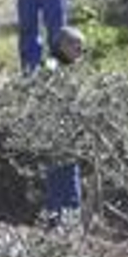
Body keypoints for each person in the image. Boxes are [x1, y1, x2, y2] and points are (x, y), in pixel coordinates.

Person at [41, 25, 85, 229]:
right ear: (63, 45)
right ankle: (62, 225)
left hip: (69, 133)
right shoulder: (52, 64)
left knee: (67, 180)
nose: (80, 52)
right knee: (62, 181)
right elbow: (47, 88)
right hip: (55, 133)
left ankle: (65, 225)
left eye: (81, 47)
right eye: (77, 46)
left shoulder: (74, 67)